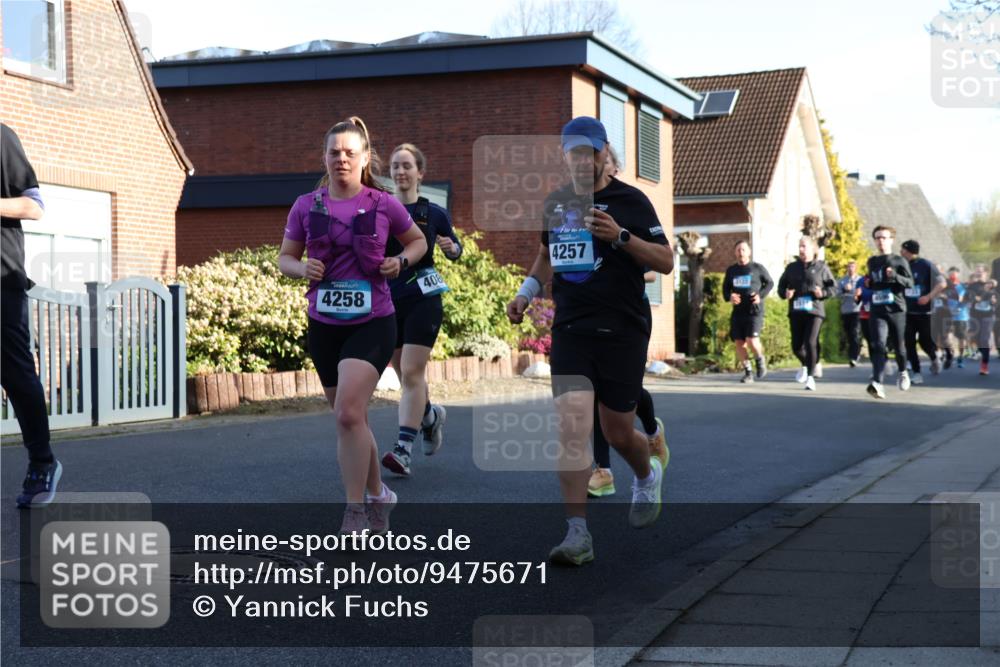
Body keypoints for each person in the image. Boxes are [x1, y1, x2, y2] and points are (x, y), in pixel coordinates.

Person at [506, 117, 673, 565]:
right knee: (572, 429)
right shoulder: (558, 203)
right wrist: (525, 293)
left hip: (622, 328)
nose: (582, 161)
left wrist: (620, 236)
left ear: (604, 154)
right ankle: (577, 533)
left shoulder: (631, 200)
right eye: (573, 153)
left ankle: (646, 472)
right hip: (572, 327)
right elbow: (545, 256)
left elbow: (666, 260)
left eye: (590, 152)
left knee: (618, 432)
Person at [278, 117, 427, 535]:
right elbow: (284, 257)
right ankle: (381, 496)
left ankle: (356, 511)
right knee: (351, 418)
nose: (341, 158)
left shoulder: (383, 204)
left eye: (349, 152)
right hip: (324, 323)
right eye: (333, 152)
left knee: (347, 413)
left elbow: (418, 241)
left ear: (364, 158)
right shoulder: (306, 205)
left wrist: (401, 261)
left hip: (373, 321)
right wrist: (299, 267)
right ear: (324, 158)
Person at [587, 146, 668, 498]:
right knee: (590, 392)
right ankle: (602, 470)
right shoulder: (570, 203)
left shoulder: (630, 203)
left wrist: (620, 241)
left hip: (626, 315)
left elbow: (655, 267)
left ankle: (651, 429)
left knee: (624, 396)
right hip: (586, 316)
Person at [380, 143, 462, 477]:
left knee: (413, 371)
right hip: (388, 300)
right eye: (396, 166)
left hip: (424, 299)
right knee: (404, 374)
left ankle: (403, 449)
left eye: (407, 166)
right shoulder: (381, 210)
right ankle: (429, 416)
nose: (400, 172)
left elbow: (456, 248)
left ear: (420, 173)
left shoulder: (433, 212)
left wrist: (451, 246)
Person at [1, 123, 60, 508]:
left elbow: (34, 205)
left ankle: (42, 461)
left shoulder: (1, 139)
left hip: (1, 280)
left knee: (15, 374)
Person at [777, 236, 835, 391]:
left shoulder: (821, 267)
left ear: (812, 249)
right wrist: (785, 293)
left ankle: (810, 377)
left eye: (804, 246)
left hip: (814, 311)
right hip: (796, 310)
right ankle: (807, 363)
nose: (801, 249)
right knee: (796, 346)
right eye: (799, 246)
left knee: (810, 342)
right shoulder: (791, 268)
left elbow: (833, 288)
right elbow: (781, 287)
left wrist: (821, 292)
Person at [864, 225, 914, 399]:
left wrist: (895, 276)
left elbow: (910, 283)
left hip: (896, 309)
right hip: (878, 309)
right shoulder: (872, 262)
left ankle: (903, 372)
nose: (880, 241)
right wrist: (869, 283)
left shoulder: (900, 261)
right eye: (877, 238)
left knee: (899, 347)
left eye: (884, 238)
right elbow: (872, 281)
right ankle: (877, 383)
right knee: (877, 344)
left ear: (891, 240)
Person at [722, 240, 773, 383]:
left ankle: (759, 359)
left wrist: (760, 296)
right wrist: (730, 296)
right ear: (735, 253)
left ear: (749, 252)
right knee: (739, 342)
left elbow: (769, 283)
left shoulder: (757, 268)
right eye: (738, 249)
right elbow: (725, 289)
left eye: (743, 249)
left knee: (751, 340)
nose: (741, 252)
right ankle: (748, 372)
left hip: (754, 311)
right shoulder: (731, 270)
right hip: (738, 311)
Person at [900, 240, 947, 383]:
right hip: (907, 311)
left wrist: (928, 297)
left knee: (924, 341)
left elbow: (942, 283)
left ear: (909, 251)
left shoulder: (926, 265)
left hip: (925, 312)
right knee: (909, 342)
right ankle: (917, 372)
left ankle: (934, 357)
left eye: (902, 250)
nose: (900, 252)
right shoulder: (901, 265)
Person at [964, 264, 997, 376]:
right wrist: (972, 298)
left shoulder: (992, 285)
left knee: (984, 339)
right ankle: (984, 350)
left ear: (986, 273)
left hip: (987, 316)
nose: (978, 273)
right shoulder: (972, 286)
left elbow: (996, 298)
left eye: (980, 272)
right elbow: (966, 297)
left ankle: (984, 365)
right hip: (974, 315)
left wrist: (994, 301)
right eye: (977, 271)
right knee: (975, 339)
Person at [837, 261, 864, 367]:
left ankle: (854, 357)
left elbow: (863, 293)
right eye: (848, 267)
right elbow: (837, 295)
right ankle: (854, 353)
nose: (850, 269)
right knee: (849, 334)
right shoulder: (842, 281)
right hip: (845, 310)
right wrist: (844, 290)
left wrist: (858, 295)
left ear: (856, 268)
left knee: (854, 333)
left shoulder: (860, 280)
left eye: (852, 267)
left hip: (857, 310)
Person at [943, 268, 971, 369]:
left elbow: (969, 298)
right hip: (947, 315)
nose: (952, 276)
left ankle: (960, 357)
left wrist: (961, 304)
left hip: (961, 316)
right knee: (947, 337)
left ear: (958, 275)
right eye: (950, 274)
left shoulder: (964, 286)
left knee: (961, 338)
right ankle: (950, 353)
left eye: (954, 274)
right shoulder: (944, 286)